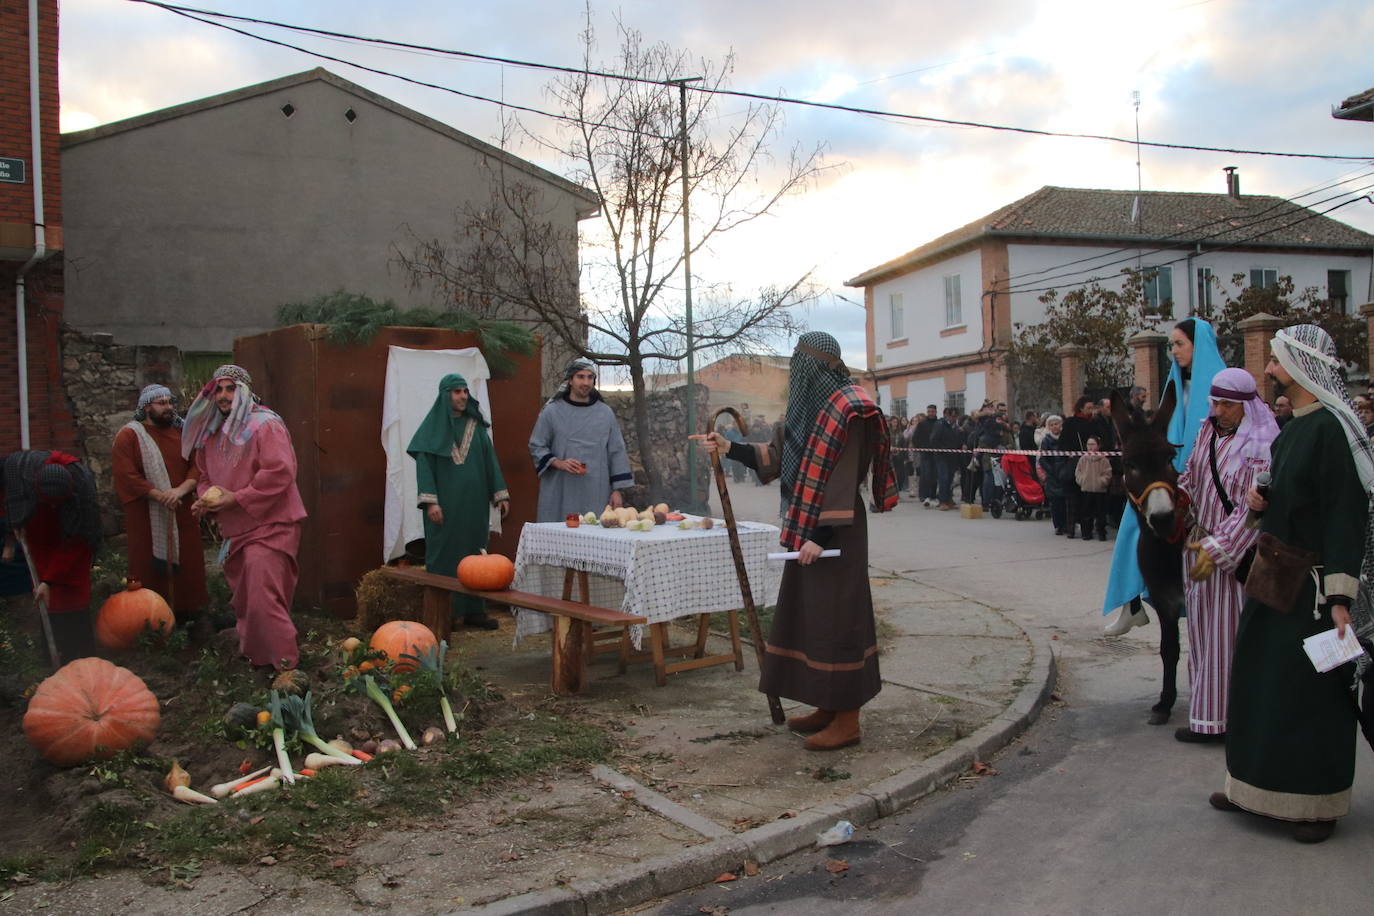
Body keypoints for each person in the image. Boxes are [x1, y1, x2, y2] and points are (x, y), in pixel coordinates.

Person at [694, 331, 898, 751]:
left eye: (799, 364)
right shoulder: (810, 410)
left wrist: (820, 536)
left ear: (816, 366)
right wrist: (729, 446)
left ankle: (849, 720)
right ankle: (827, 705)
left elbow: (841, 476)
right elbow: (777, 456)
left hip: (834, 531)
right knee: (813, 619)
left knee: (839, 620)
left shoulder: (850, 408)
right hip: (808, 528)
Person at [1211, 325, 1371, 844]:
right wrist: (1260, 505)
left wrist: (1342, 597)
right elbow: (1287, 495)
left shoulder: (1331, 431)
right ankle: (1250, 787)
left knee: (1311, 694)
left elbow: (1346, 516)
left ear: (1301, 366)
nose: (1270, 371)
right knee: (1258, 681)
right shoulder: (1292, 426)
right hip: (1273, 575)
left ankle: (1314, 804)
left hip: (1316, 589)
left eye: (1276, 362)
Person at [1103, 318, 1226, 634]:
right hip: (1171, 478)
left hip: (1207, 483)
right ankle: (1132, 601)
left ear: (1199, 346)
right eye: (1171, 344)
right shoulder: (1177, 388)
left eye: (1179, 344)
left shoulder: (1220, 386)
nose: (1173, 351)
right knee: (1134, 519)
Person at [1176, 367, 1277, 744]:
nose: (1218, 409)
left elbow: (1254, 509)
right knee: (1202, 634)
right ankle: (1206, 717)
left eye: (1226, 404)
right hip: (1198, 547)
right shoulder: (1207, 430)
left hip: (1234, 556)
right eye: (1214, 401)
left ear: (1245, 404)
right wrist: (1177, 497)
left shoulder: (1262, 445)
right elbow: (1193, 474)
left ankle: (1231, 722)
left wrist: (1218, 549)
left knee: (1229, 638)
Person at [185, 366, 307, 671]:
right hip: (236, 530)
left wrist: (237, 498)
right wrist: (206, 499)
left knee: (264, 601)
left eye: (231, 389)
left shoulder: (265, 425)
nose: (224, 396)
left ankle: (286, 669)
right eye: (219, 390)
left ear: (244, 391)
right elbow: (204, 475)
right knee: (247, 603)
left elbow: (280, 472)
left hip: (271, 525)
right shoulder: (211, 433)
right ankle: (259, 663)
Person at [408, 374, 511, 630]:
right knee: (444, 557)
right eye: (457, 392)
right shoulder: (430, 430)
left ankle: (475, 611)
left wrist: (500, 494)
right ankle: (446, 614)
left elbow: (490, 461)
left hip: (474, 507)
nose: (463, 396)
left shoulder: (475, 427)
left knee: (477, 556)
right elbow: (424, 469)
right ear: (445, 395)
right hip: (444, 508)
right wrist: (431, 503)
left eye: (465, 391)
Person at [111, 384, 208, 621]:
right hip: (146, 514)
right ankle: (150, 619)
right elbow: (127, 475)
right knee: (146, 563)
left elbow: (198, 465)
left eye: (170, 402)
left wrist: (180, 491)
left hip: (181, 509)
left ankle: (190, 615)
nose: (169, 407)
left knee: (190, 563)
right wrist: (160, 495)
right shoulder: (129, 436)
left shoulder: (183, 433)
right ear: (146, 408)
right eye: (161, 403)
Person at [1, 450, 102, 661]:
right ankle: (54, 654)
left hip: (73, 540)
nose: (54, 506)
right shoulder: (19, 476)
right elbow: (9, 503)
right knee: (47, 599)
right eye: (50, 503)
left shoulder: (83, 496)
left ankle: (81, 654)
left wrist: (50, 580)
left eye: (57, 504)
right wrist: (12, 532)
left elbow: (77, 545)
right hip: (40, 532)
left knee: (71, 590)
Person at [529, 359, 633, 522]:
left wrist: (617, 490)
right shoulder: (552, 412)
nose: (586, 382)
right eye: (580, 377)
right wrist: (559, 463)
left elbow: (617, 451)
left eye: (590, 377)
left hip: (596, 492)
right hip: (560, 490)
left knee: (595, 538)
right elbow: (536, 445)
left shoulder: (605, 413)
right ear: (570, 380)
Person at [1058, 396, 1096, 539]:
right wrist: (1070, 455)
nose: (1091, 411)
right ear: (1081, 408)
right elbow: (1063, 443)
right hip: (1074, 464)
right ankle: (1070, 528)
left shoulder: (1093, 423)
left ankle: (1087, 530)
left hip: (1090, 465)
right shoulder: (1071, 422)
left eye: (1092, 408)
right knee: (1072, 499)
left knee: (1087, 499)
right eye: (1088, 408)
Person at [1074, 436, 1111, 541]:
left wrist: (1101, 482)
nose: (1090, 447)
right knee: (1086, 513)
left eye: (1093, 444)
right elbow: (1078, 472)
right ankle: (1086, 533)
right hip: (1086, 489)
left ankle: (1101, 532)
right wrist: (1082, 480)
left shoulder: (1104, 459)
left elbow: (1108, 473)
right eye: (1088, 444)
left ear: (1098, 446)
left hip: (1100, 491)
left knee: (1101, 514)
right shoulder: (1083, 459)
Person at [1037, 415, 1069, 535]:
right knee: (1056, 502)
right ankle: (1058, 525)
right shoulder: (1046, 440)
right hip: (1053, 475)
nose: (1055, 426)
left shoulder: (1065, 438)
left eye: (1057, 424)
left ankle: (1067, 524)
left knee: (1066, 500)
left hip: (1065, 473)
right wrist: (1051, 471)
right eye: (1052, 424)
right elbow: (1042, 459)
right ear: (1048, 427)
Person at [932, 407, 963, 510]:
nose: (954, 418)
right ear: (947, 415)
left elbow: (957, 441)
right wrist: (942, 449)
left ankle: (949, 498)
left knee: (950, 479)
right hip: (941, 457)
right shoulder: (940, 425)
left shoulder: (956, 427)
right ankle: (942, 501)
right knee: (943, 478)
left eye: (956, 416)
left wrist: (962, 445)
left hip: (952, 457)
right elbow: (934, 439)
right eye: (952, 416)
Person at [913, 405, 939, 506]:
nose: (930, 413)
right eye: (929, 411)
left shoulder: (939, 423)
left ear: (936, 412)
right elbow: (915, 438)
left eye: (932, 411)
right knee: (926, 475)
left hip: (936, 454)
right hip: (925, 454)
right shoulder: (922, 424)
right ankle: (924, 495)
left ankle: (933, 495)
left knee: (934, 476)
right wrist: (921, 448)